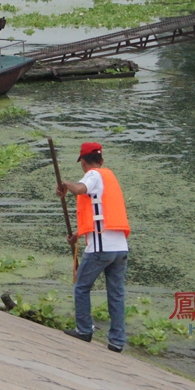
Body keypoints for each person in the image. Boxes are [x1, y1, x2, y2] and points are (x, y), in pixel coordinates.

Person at [57, 142, 131, 353]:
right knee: (116, 294)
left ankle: (84, 330)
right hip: (119, 247)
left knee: (82, 287)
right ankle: (117, 341)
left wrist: (65, 184)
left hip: (101, 248)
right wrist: (78, 234)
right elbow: (101, 215)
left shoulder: (94, 175)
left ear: (83, 161)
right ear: (101, 159)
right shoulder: (110, 177)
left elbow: (81, 189)